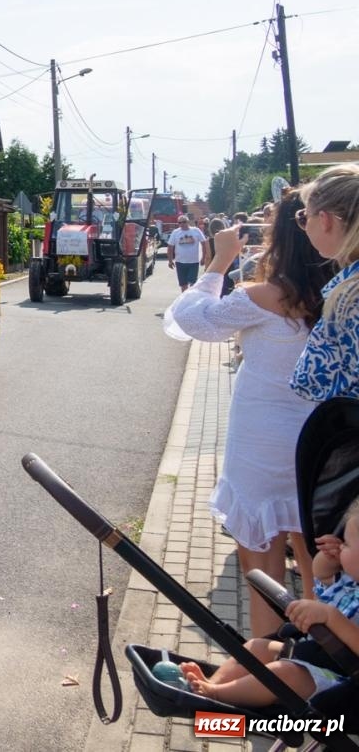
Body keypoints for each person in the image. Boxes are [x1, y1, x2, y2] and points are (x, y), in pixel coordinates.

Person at [164, 200, 332, 636]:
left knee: (263, 567)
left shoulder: (265, 295)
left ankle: (265, 653)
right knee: (318, 562)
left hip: (262, 444)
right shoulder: (341, 292)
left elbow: (190, 321)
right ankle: (321, 653)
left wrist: (219, 259)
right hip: (323, 444)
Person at [180, 496, 359, 705]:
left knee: (285, 674)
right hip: (311, 653)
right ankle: (211, 682)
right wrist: (328, 559)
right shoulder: (349, 583)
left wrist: (331, 617)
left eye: (346, 543)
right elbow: (322, 576)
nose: (340, 545)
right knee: (257, 646)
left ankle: (216, 695)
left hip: (342, 680)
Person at [292, 163, 359, 404]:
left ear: (325, 220)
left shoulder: (352, 296)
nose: (303, 226)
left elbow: (307, 381)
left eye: (303, 217)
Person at [167, 214, 207, 291]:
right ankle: (185, 300)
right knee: (183, 284)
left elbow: (204, 243)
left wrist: (203, 257)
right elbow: (170, 247)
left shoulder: (196, 230)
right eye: (180, 223)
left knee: (193, 283)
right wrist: (170, 260)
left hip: (193, 262)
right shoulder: (175, 232)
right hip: (180, 262)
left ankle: (191, 299)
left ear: (188, 222)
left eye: (184, 222)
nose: (182, 224)